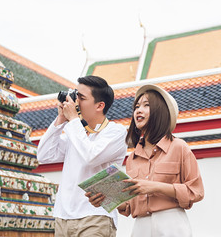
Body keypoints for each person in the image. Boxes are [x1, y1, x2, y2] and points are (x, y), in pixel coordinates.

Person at [87, 84, 204, 237]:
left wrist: (154, 187)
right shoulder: (132, 158)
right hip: (140, 226)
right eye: (136, 107)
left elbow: (196, 191)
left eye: (146, 105)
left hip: (171, 224)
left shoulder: (179, 147)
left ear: (159, 111)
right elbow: (129, 205)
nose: (138, 110)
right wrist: (105, 200)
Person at [37, 75, 128, 237]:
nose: (75, 102)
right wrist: (61, 119)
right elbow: (44, 155)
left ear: (100, 105)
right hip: (63, 217)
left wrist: (73, 120)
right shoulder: (76, 133)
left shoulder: (116, 132)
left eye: (81, 98)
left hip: (96, 216)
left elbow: (91, 156)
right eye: (75, 96)